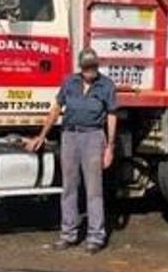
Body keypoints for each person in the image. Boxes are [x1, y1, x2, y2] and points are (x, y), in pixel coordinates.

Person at [25, 48, 118, 254]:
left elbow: (111, 116)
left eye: (93, 67)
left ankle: (96, 236)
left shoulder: (106, 86)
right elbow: (56, 109)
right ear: (81, 67)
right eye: (86, 68)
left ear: (97, 66)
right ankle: (68, 233)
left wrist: (109, 147)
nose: (90, 71)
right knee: (69, 187)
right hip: (69, 136)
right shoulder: (69, 82)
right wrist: (42, 135)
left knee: (94, 189)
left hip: (93, 137)